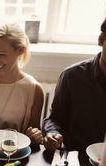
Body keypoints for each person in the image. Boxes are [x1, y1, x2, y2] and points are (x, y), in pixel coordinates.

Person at [43, 17, 106, 152]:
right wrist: (52, 134)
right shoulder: (72, 76)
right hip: (76, 159)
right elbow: (54, 119)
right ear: (101, 39)